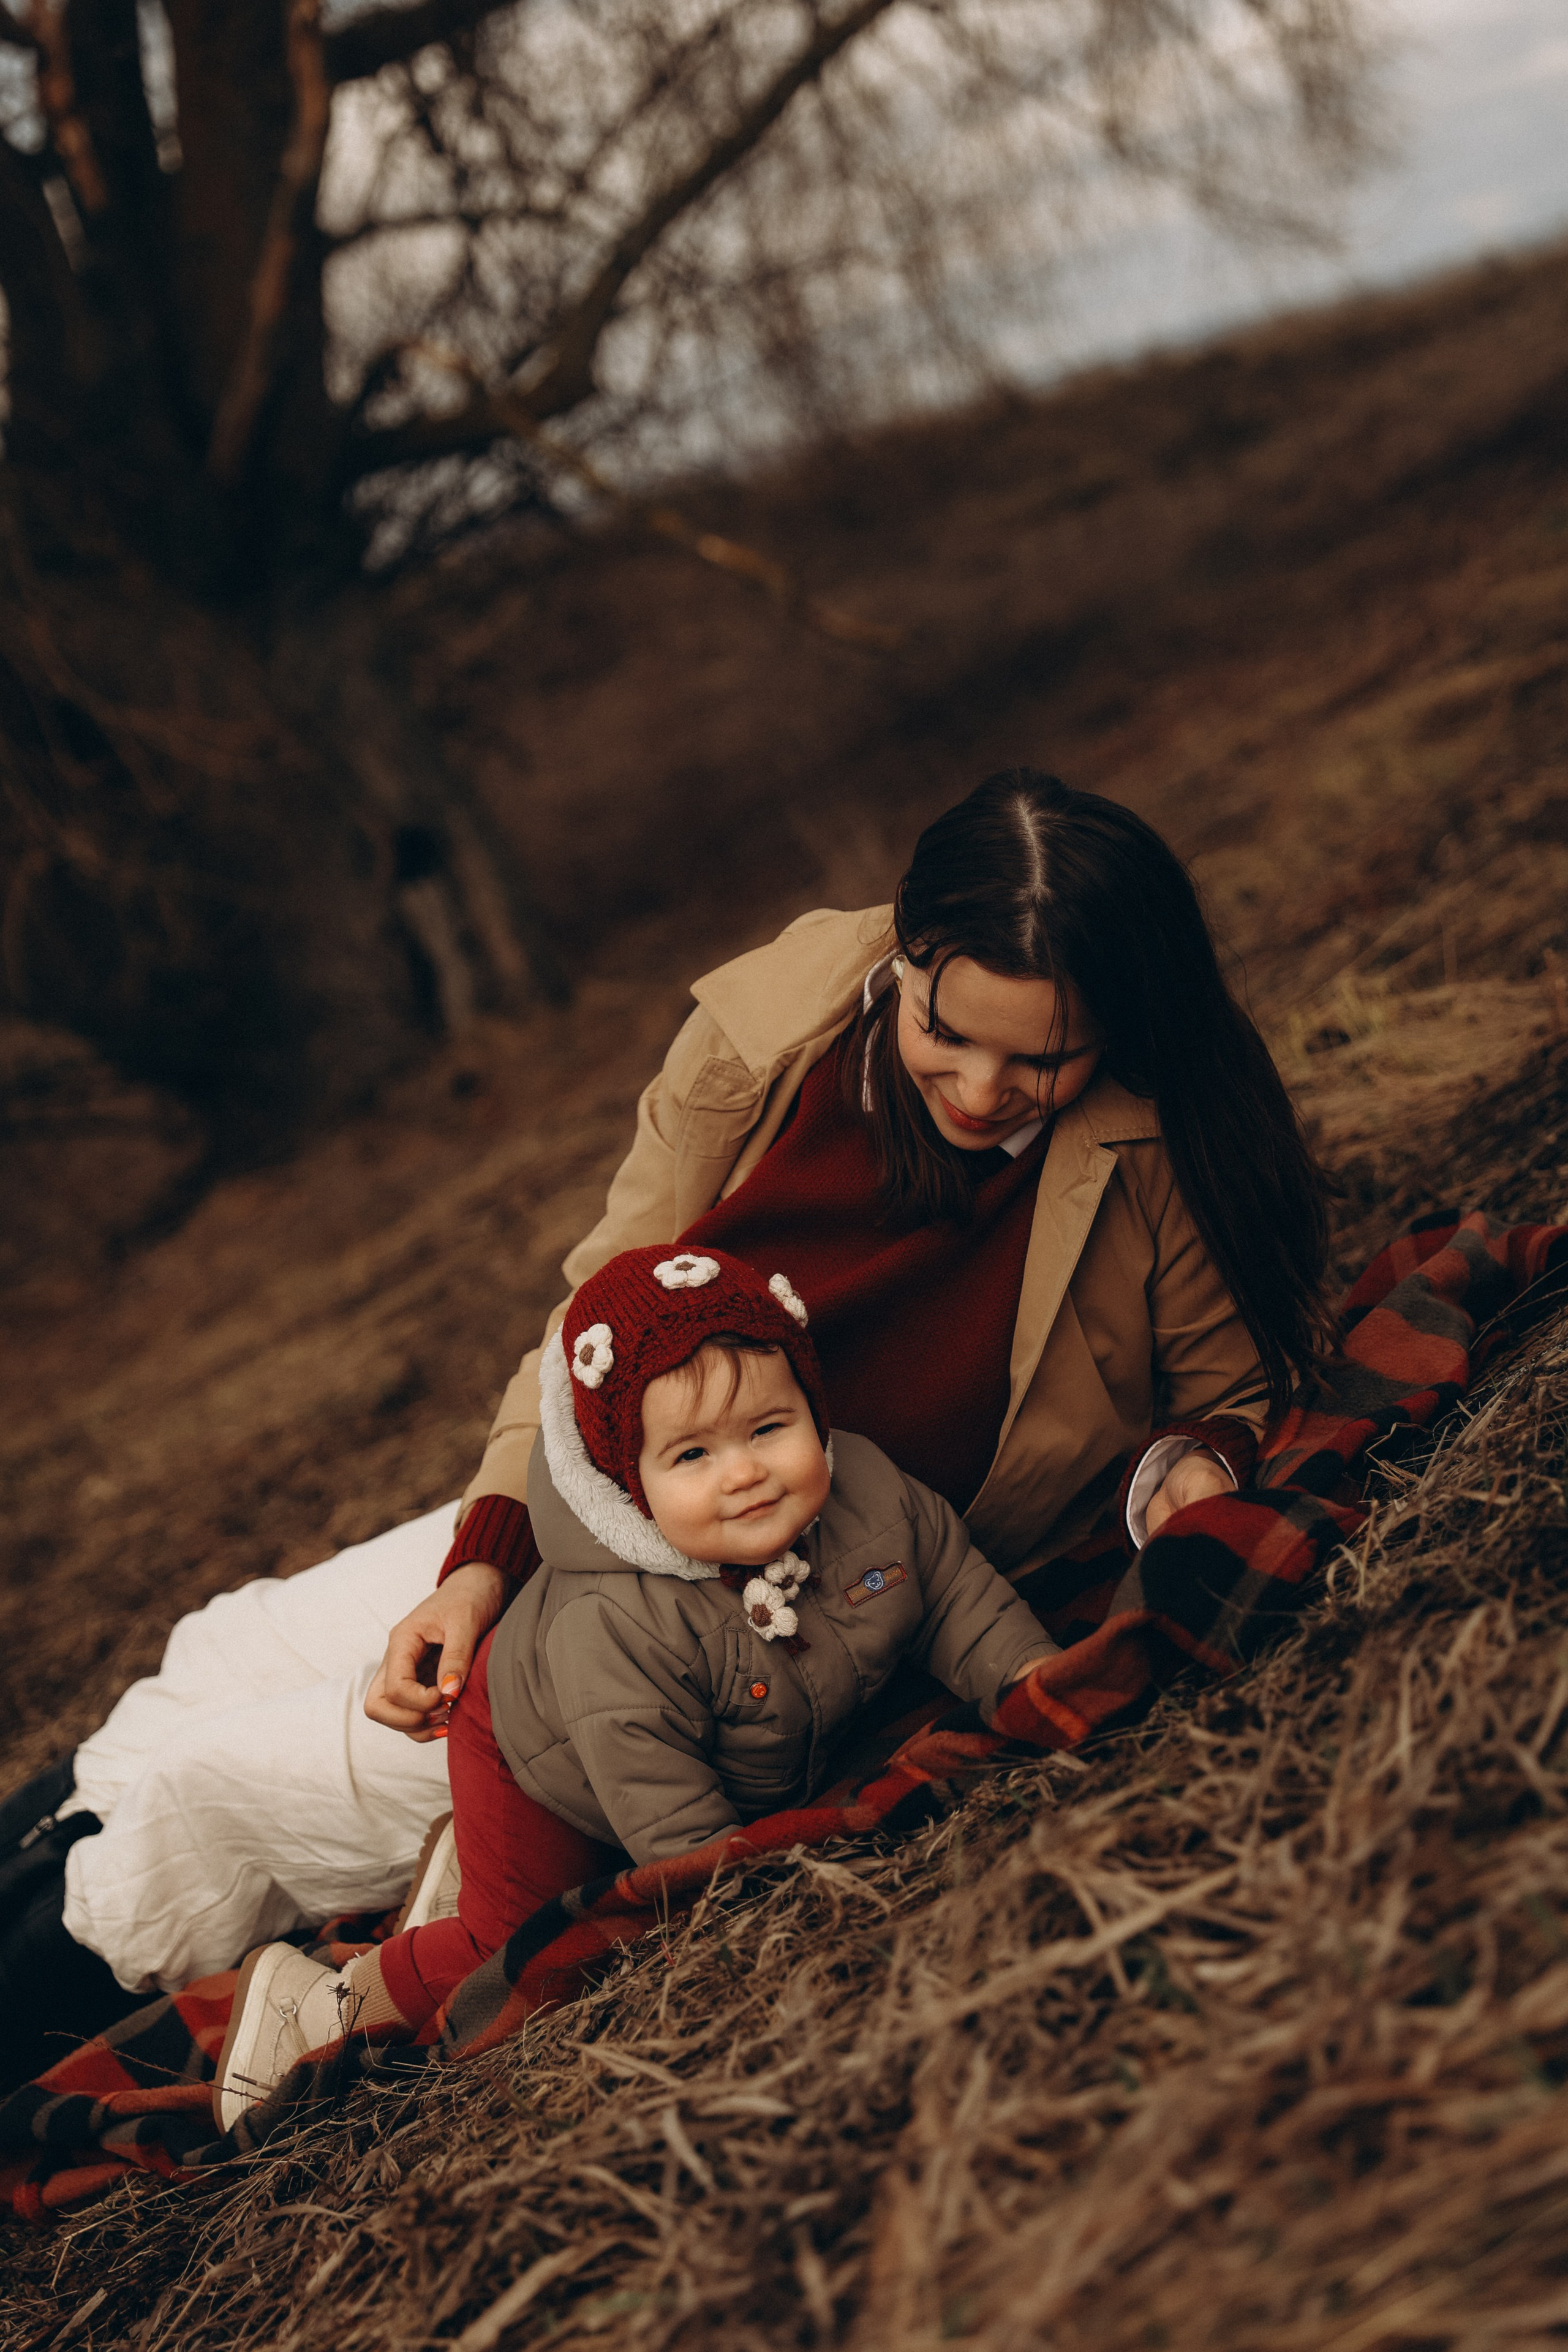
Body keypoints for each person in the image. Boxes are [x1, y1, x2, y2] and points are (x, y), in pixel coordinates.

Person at [7, 767, 1330, 2040]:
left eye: (1039, 1062)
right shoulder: (778, 1029)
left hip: (740, 1632)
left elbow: (1223, 1391)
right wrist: (483, 1562)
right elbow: (596, 1302)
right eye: (945, 1032)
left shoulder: (1151, 1148)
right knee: (232, 1651)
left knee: (209, 1803)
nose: (981, 1093)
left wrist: (1192, 1470)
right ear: (902, 958)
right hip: (613, 1495)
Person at [213, 1245, 1060, 2124]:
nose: (743, 1473)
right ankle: (325, 1999)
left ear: (815, 1408)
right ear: (630, 1479)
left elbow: (958, 1599)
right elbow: (671, 1822)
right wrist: (749, 1911)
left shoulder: (873, 1493)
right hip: (535, 1751)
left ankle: (466, 1870)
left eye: (770, 1428)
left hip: (712, 1749)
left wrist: (1032, 1678)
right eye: (692, 1454)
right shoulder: (612, 1627)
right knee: (524, 1946)